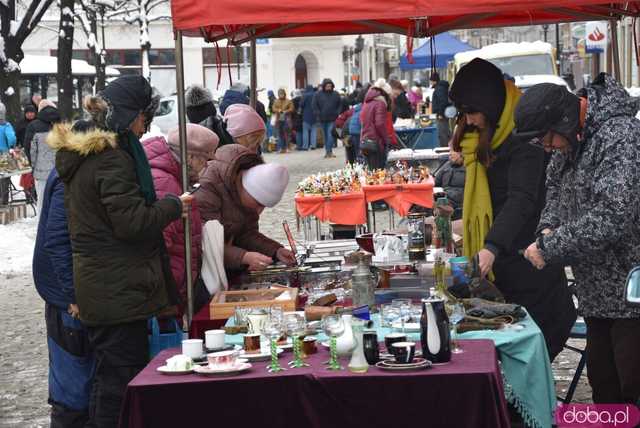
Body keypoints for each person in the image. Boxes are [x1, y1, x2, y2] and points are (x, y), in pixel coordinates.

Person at [51, 75, 190, 427]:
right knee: (119, 381)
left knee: (110, 379)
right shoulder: (112, 158)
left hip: (109, 285)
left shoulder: (93, 153)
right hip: (115, 288)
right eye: (145, 117)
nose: (146, 127)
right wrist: (174, 205)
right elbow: (130, 222)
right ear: (130, 114)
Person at [515, 75, 640, 403]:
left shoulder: (621, 136)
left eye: (547, 139)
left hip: (631, 292)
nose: (547, 148)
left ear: (564, 120)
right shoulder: (571, 140)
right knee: (605, 387)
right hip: (596, 292)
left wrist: (550, 247)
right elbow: (553, 189)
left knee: (632, 388)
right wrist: (546, 228)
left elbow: (613, 216)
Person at [448, 58, 575, 361]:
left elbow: (521, 199)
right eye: (462, 114)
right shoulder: (485, 133)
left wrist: (491, 246)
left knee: (528, 349)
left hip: (529, 259)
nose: (468, 120)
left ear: (489, 105)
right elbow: (490, 199)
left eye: (471, 112)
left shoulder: (524, 135)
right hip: (505, 259)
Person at [32, 167, 95, 428]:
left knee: (80, 382)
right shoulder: (71, 175)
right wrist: (72, 295)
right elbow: (57, 240)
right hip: (68, 299)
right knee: (73, 389)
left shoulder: (73, 171)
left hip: (75, 293)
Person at [143, 123, 219, 322]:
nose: (207, 166)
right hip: (167, 293)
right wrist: (166, 297)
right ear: (191, 157)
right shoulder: (166, 182)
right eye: (206, 159)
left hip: (174, 287)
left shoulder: (174, 178)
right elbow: (159, 245)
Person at [196, 144, 296, 279]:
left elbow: (246, 233)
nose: (259, 211)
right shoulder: (208, 187)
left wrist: (275, 250)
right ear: (247, 188)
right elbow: (204, 242)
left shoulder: (244, 191)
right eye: (258, 204)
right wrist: (243, 257)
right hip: (200, 272)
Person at [25, 99, 61, 214]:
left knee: (42, 201)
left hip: (42, 172)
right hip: (61, 170)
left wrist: (33, 167)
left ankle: (42, 228)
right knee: (59, 201)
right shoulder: (61, 124)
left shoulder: (33, 126)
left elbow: (30, 150)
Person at [360, 80, 394, 171]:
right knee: (379, 173)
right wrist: (386, 139)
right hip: (376, 143)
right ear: (385, 94)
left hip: (365, 142)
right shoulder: (380, 103)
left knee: (371, 173)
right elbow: (380, 124)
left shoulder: (367, 103)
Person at [312, 78, 342, 158]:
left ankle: (329, 152)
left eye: (330, 86)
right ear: (324, 86)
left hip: (332, 118)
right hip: (322, 119)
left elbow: (340, 104)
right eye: (327, 86)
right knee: (325, 136)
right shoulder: (318, 94)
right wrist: (318, 114)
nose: (328, 87)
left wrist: (337, 112)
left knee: (330, 135)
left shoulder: (336, 94)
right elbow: (314, 105)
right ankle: (328, 152)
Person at [434, 151, 465, 220]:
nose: (450, 154)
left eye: (453, 151)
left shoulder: (468, 167)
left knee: (441, 207)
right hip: (444, 196)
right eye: (450, 151)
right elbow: (436, 182)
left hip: (458, 200)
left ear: (461, 153)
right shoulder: (447, 165)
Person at [0, 102, 17, 205]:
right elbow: (11, 138)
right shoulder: (6, 125)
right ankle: (3, 200)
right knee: (4, 178)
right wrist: (11, 146)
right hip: (4, 154)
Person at [430, 72, 452, 148]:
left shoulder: (439, 89)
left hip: (441, 115)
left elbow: (442, 102)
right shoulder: (441, 87)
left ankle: (445, 150)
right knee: (446, 132)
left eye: (431, 81)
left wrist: (440, 114)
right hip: (444, 113)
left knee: (442, 134)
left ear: (434, 81)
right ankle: (450, 147)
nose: (431, 82)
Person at [271, 89, 294, 153]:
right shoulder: (276, 101)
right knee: (280, 134)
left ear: (284, 94)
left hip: (286, 119)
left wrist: (286, 111)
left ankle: (287, 148)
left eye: (282, 94)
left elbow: (292, 108)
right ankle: (281, 148)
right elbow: (273, 108)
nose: (281, 95)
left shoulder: (288, 101)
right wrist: (278, 110)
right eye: (280, 94)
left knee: (287, 134)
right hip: (279, 119)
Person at [300, 85, 317, 150]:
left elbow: (301, 104)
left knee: (305, 131)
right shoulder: (315, 95)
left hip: (306, 115)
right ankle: (313, 145)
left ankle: (305, 146)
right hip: (314, 115)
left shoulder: (305, 95)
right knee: (314, 131)